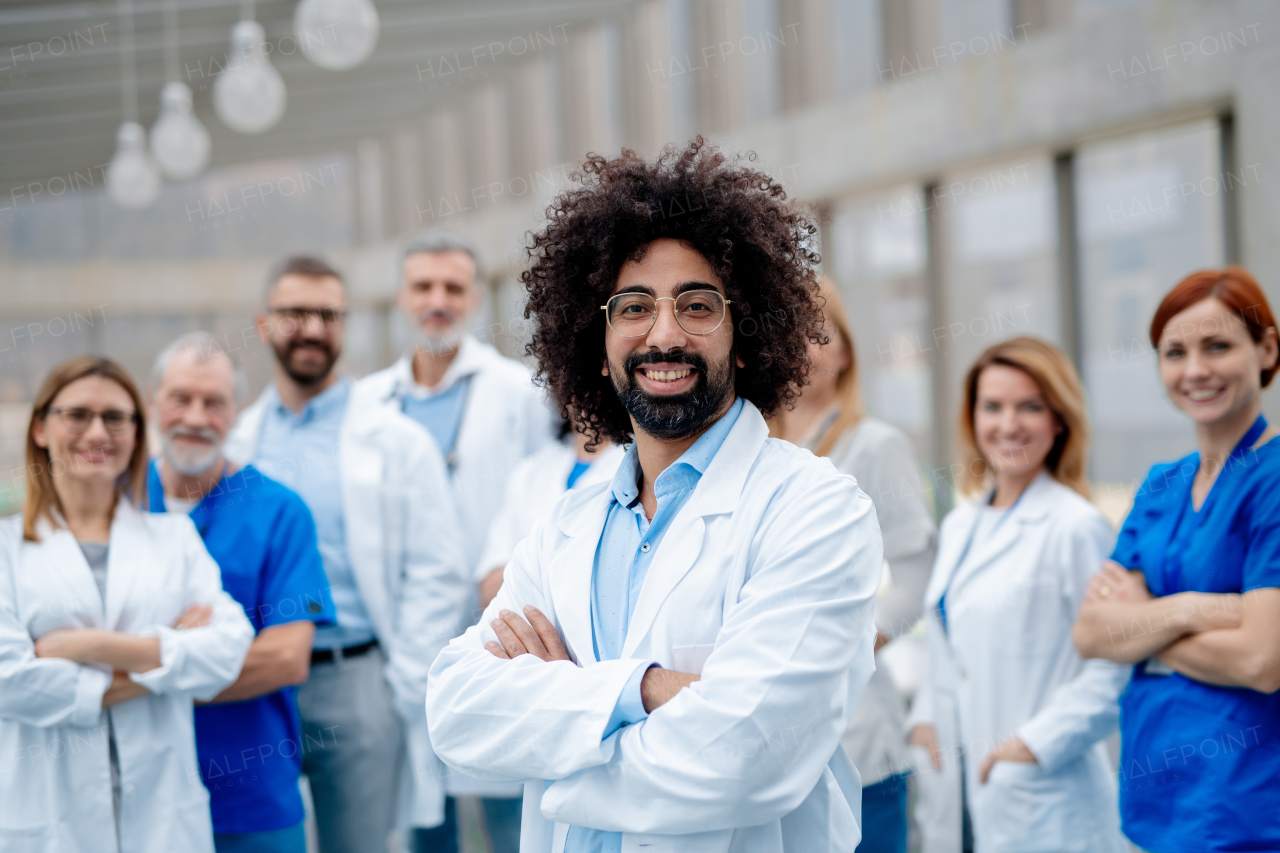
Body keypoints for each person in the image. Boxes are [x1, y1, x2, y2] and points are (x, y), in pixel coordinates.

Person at [427, 138, 884, 852]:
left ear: (743, 336)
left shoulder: (815, 509)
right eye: (633, 306)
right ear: (597, 341)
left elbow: (746, 754)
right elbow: (455, 708)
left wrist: (557, 762)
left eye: (698, 305)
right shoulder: (566, 524)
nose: (664, 333)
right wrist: (641, 689)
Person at [224, 257, 471, 853]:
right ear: (264, 326)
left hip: (357, 681)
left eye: (327, 315)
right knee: (258, 840)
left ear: (345, 326)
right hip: (256, 685)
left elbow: (439, 571)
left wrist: (400, 683)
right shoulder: (237, 442)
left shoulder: (398, 441)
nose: (311, 328)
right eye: (294, 314)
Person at [0, 356, 253, 853]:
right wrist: (166, 658)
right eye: (77, 415)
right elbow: (10, 681)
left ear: (137, 434)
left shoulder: (174, 538)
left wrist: (89, 645)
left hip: (163, 820)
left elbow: (227, 650)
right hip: (49, 818)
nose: (98, 432)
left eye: (116, 417)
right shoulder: (6, 550)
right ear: (40, 429)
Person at [1073, 267, 1280, 853]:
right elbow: (1090, 632)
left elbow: (1263, 660)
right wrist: (1192, 607)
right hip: (1153, 799)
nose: (1195, 370)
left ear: (1265, 349)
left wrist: (1143, 620)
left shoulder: (1274, 480)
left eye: (1218, 346)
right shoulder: (1162, 484)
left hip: (1247, 808)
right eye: (1175, 352)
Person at [360, 230, 557, 849]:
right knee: (424, 822)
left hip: (498, 632)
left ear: (474, 299)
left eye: (453, 288)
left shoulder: (520, 394)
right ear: (402, 298)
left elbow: (546, 500)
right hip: (405, 642)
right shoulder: (368, 406)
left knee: (506, 818)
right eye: (423, 286)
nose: (437, 300)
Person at [905, 337, 1129, 853]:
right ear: (973, 418)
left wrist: (1033, 746)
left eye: (1029, 406)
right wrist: (923, 721)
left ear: (1059, 420)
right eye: (993, 407)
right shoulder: (962, 524)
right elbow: (946, 645)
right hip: (954, 791)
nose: (1008, 425)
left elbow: (1115, 668)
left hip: (1042, 800)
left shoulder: (1075, 527)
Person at [147, 332, 337, 853]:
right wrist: (198, 656)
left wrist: (140, 665)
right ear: (152, 403)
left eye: (213, 402)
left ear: (235, 414)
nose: (195, 415)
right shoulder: (115, 502)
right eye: (180, 398)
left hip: (249, 795)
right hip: (137, 794)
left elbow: (285, 658)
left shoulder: (278, 511)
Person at [770, 279, 936, 853]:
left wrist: (841, 652)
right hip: (768, 740)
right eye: (787, 335)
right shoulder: (746, 453)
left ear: (845, 353)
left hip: (857, 732)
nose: (803, 350)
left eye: (819, 334)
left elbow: (916, 583)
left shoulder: (874, 445)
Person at [476, 414, 625, 610]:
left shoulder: (637, 468)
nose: (581, 387)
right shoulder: (532, 470)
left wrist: (525, 577)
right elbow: (491, 588)